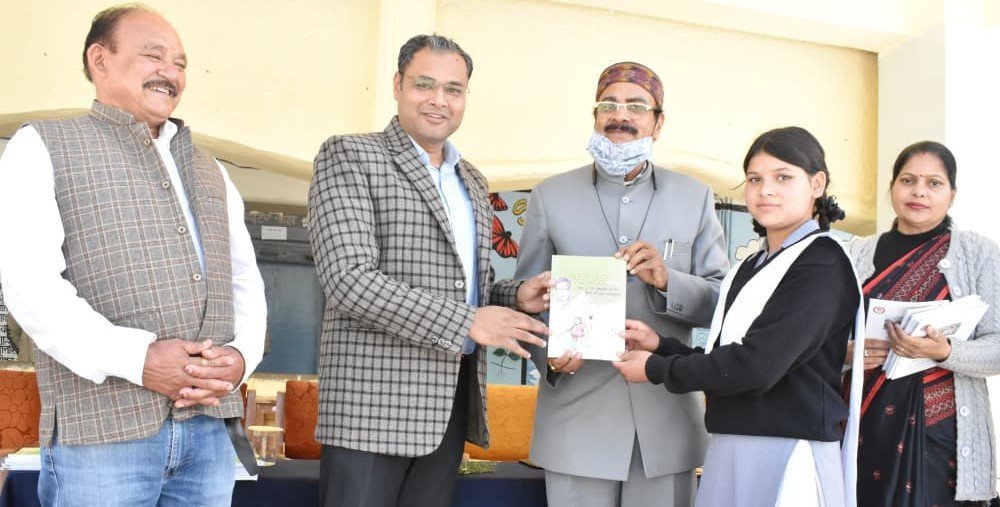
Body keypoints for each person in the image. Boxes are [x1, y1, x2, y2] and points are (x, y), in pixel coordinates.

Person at [0, 4, 267, 506]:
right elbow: (30, 284)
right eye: (153, 55)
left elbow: (244, 281)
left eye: (180, 63)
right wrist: (138, 359)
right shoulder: (43, 145)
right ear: (99, 60)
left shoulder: (210, 168)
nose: (171, 71)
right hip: (103, 433)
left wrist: (239, 358)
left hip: (210, 428)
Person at [307, 34, 551, 507]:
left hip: (447, 410)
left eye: (453, 89)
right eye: (425, 84)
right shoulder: (350, 155)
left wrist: (515, 297)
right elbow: (348, 280)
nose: (440, 100)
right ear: (397, 85)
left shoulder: (471, 179)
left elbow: (466, 288)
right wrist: (469, 321)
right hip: (370, 412)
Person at [513, 61, 730, 507]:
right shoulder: (551, 195)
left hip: (666, 420)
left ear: (658, 122)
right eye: (608, 104)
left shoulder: (695, 197)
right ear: (595, 117)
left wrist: (668, 280)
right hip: (576, 421)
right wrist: (549, 358)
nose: (621, 115)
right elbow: (526, 297)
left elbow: (722, 302)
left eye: (636, 106)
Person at [614, 126, 864, 506]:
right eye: (754, 179)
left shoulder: (822, 263)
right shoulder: (752, 265)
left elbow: (756, 367)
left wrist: (656, 369)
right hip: (733, 441)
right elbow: (729, 359)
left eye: (783, 177)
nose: (766, 190)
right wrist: (660, 346)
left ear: (817, 184)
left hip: (787, 450)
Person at [846, 141, 1000, 505]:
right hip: (865, 420)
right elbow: (826, 337)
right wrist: (847, 353)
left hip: (941, 432)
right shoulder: (856, 252)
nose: (919, 191)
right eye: (908, 180)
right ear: (892, 187)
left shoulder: (978, 253)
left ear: (952, 194)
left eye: (934, 183)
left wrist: (944, 351)